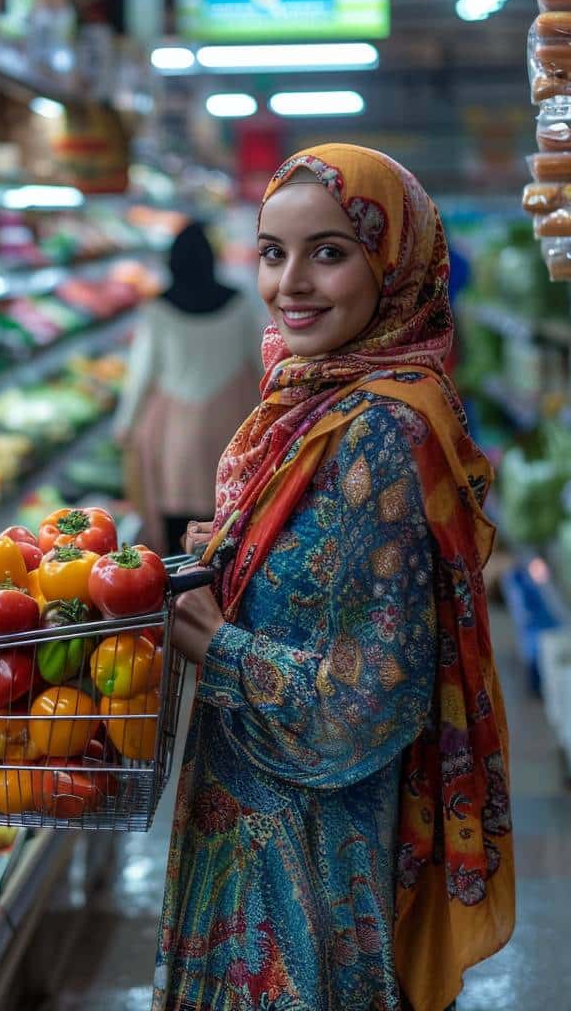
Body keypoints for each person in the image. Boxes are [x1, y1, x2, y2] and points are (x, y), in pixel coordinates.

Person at [154, 145, 514, 1011]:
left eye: (330, 251)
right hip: (259, 825)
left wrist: (218, 646)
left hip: (309, 860)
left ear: (394, 265)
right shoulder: (313, 399)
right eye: (274, 253)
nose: (292, 285)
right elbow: (334, 582)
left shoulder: (385, 429)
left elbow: (370, 701)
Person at [114, 221, 262, 555]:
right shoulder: (238, 304)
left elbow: (141, 375)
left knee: (175, 528)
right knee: (227, 522)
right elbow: (262, 364)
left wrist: (124, 427)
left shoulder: (157, 310)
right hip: (233, 427)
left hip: (173, 434)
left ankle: (180, 596)